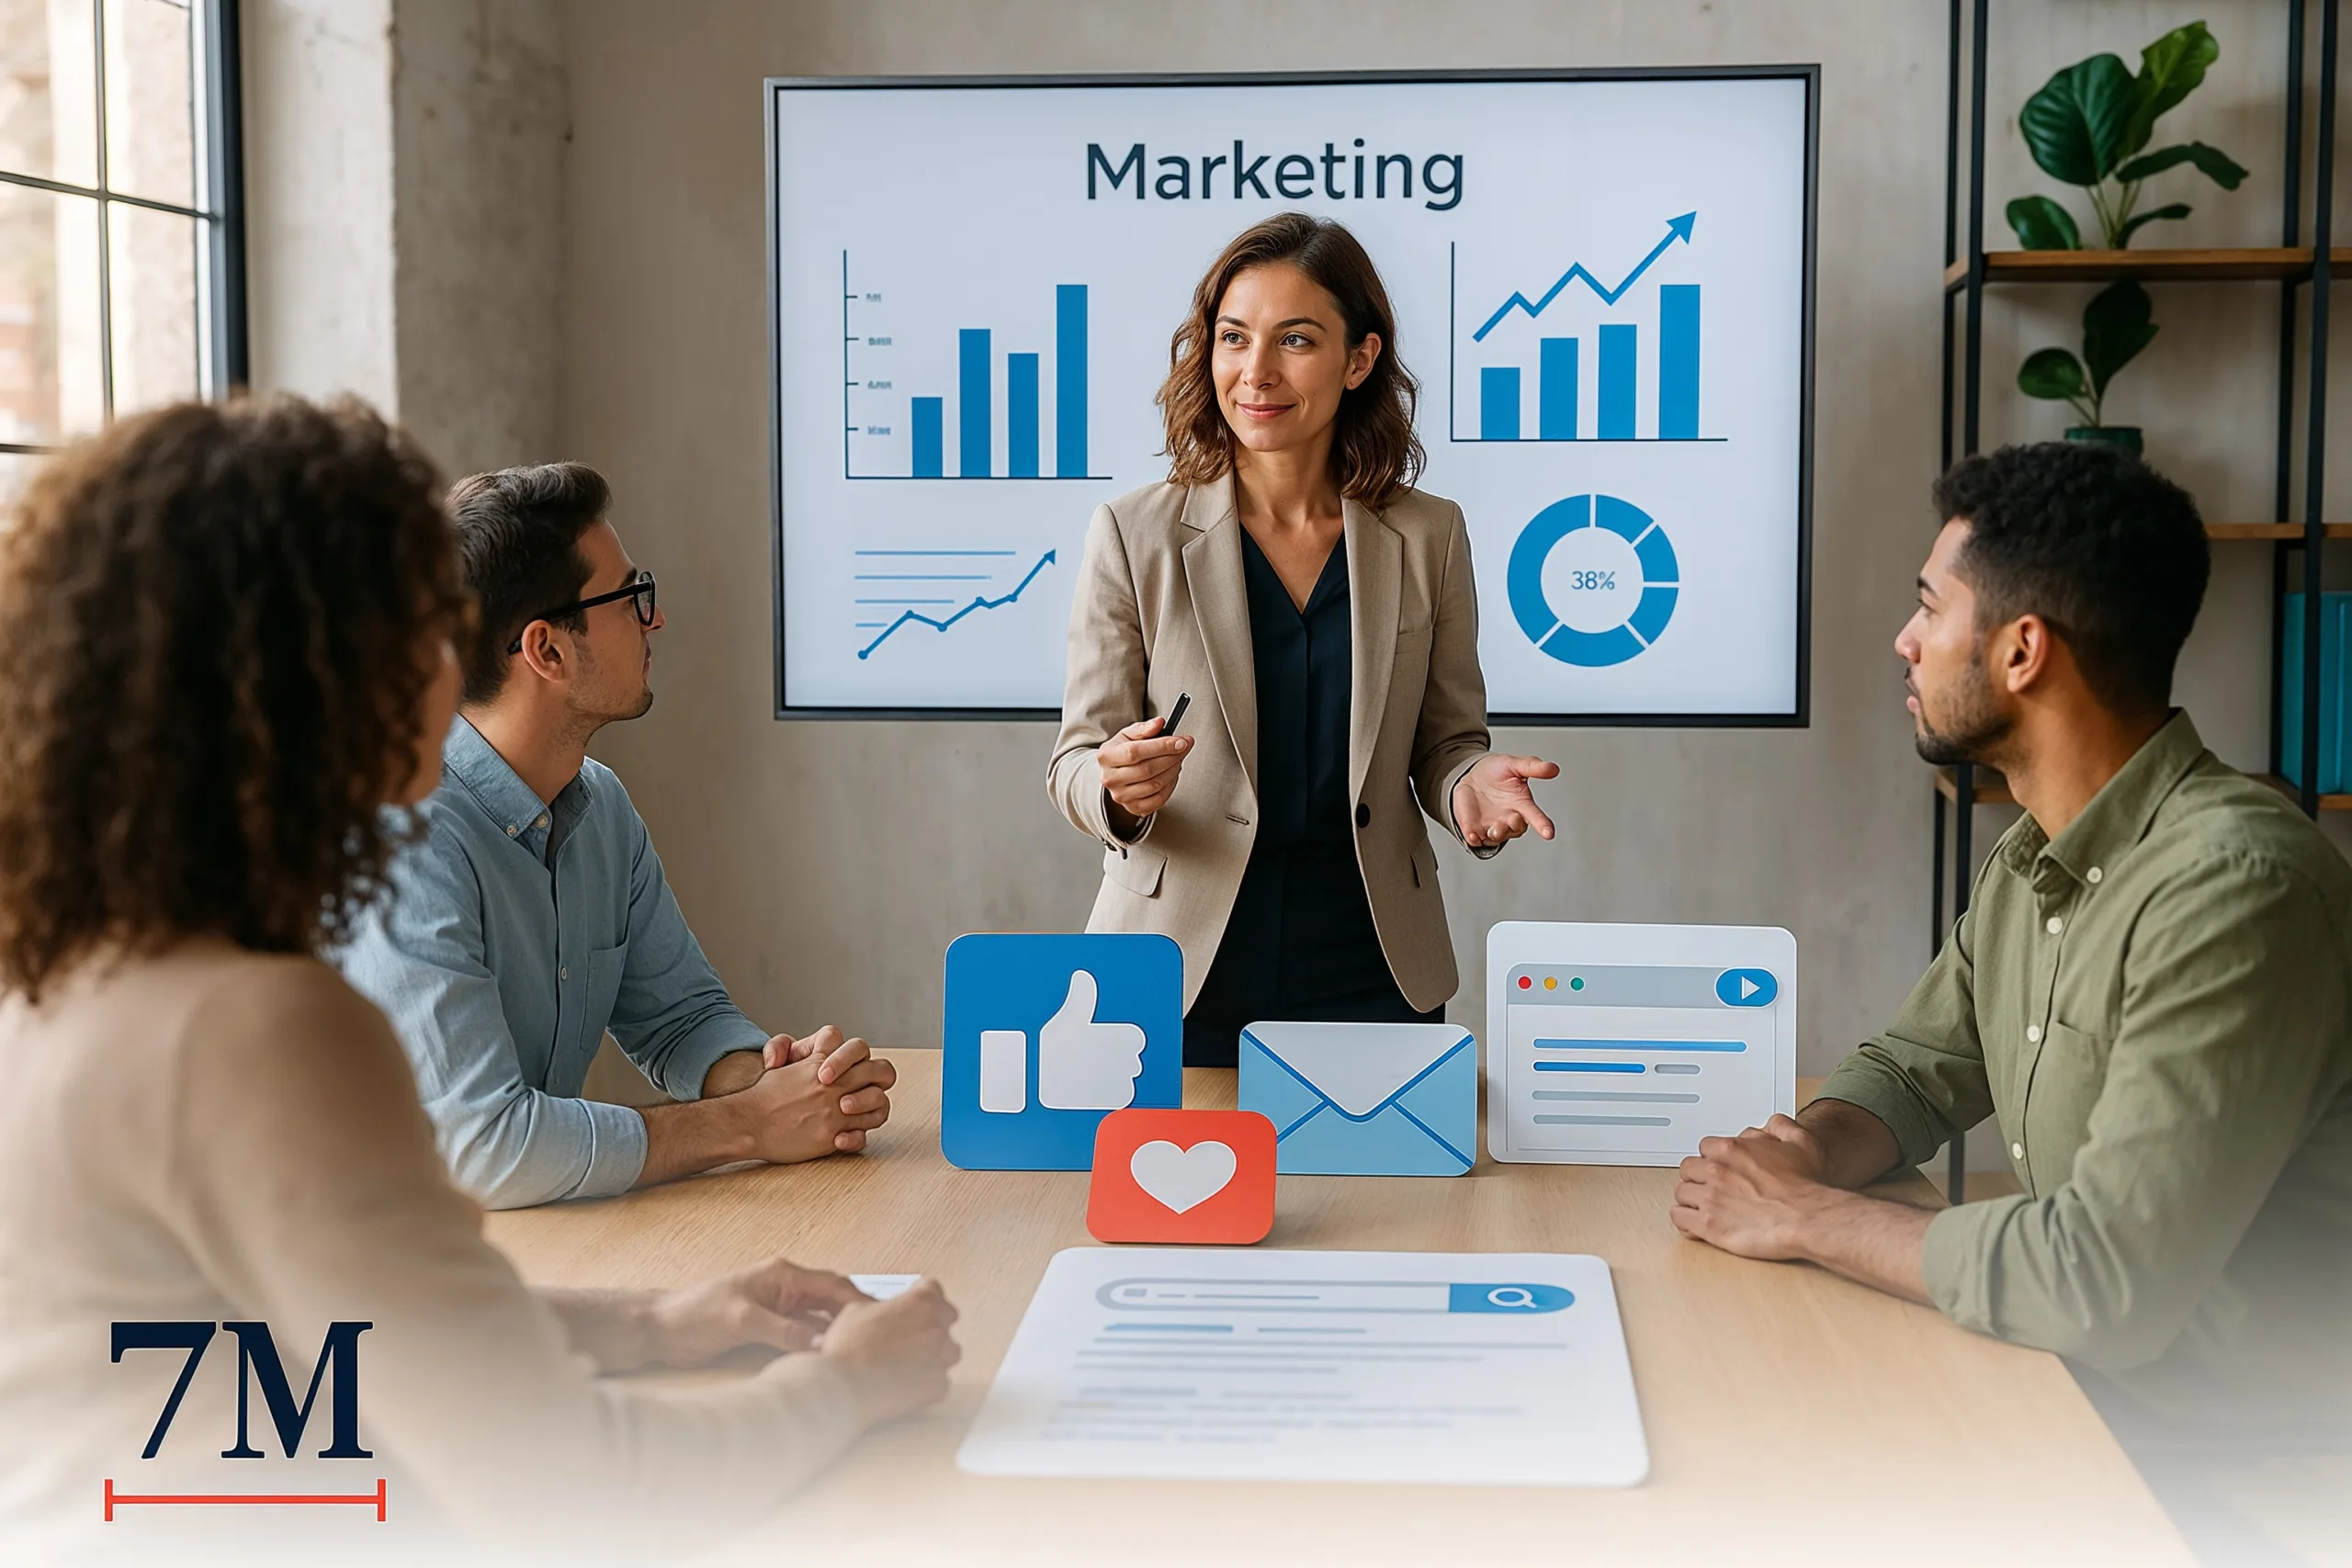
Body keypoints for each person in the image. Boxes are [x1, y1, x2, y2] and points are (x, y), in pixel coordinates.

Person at [0, 397, 959, 1559]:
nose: (450, 662)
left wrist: (662, 1320)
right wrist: (850, 1386)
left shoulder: (96, 966)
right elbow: (571, 1487)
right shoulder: (254, 1026)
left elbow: (341, 1333)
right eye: (423, 625)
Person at [1670, 443, 2351, 1551]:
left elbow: (2100, 1278)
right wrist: (1804, 1152)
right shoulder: (2037, 855)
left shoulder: (2234, 888)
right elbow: (1912, 1070)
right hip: (2073, 1391)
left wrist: (1803, 1217)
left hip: (2227, 1460)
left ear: (2023, 650)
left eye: (1928, 608)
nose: (1904, 639)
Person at [1050, 213, 1559, 1065]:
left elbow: (1446, 742)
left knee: (1391, 1201)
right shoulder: (1133, 533)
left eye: (1295, 340)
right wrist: (1116, 787)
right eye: (1233, 338)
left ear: (1360, 359)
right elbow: (1074, 760)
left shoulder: (1430, 535)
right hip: (1178, 963)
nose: (1256, 372)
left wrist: (1469, 785)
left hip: (1370, 962)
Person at [334, 463, 893, 1210]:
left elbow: (680, 1018)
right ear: (548, 651)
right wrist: (749, 1125)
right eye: (631, 598)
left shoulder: (599, 805)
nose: (654, 618)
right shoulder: (406, 841)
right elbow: (486, 1146)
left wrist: (786, 1079)